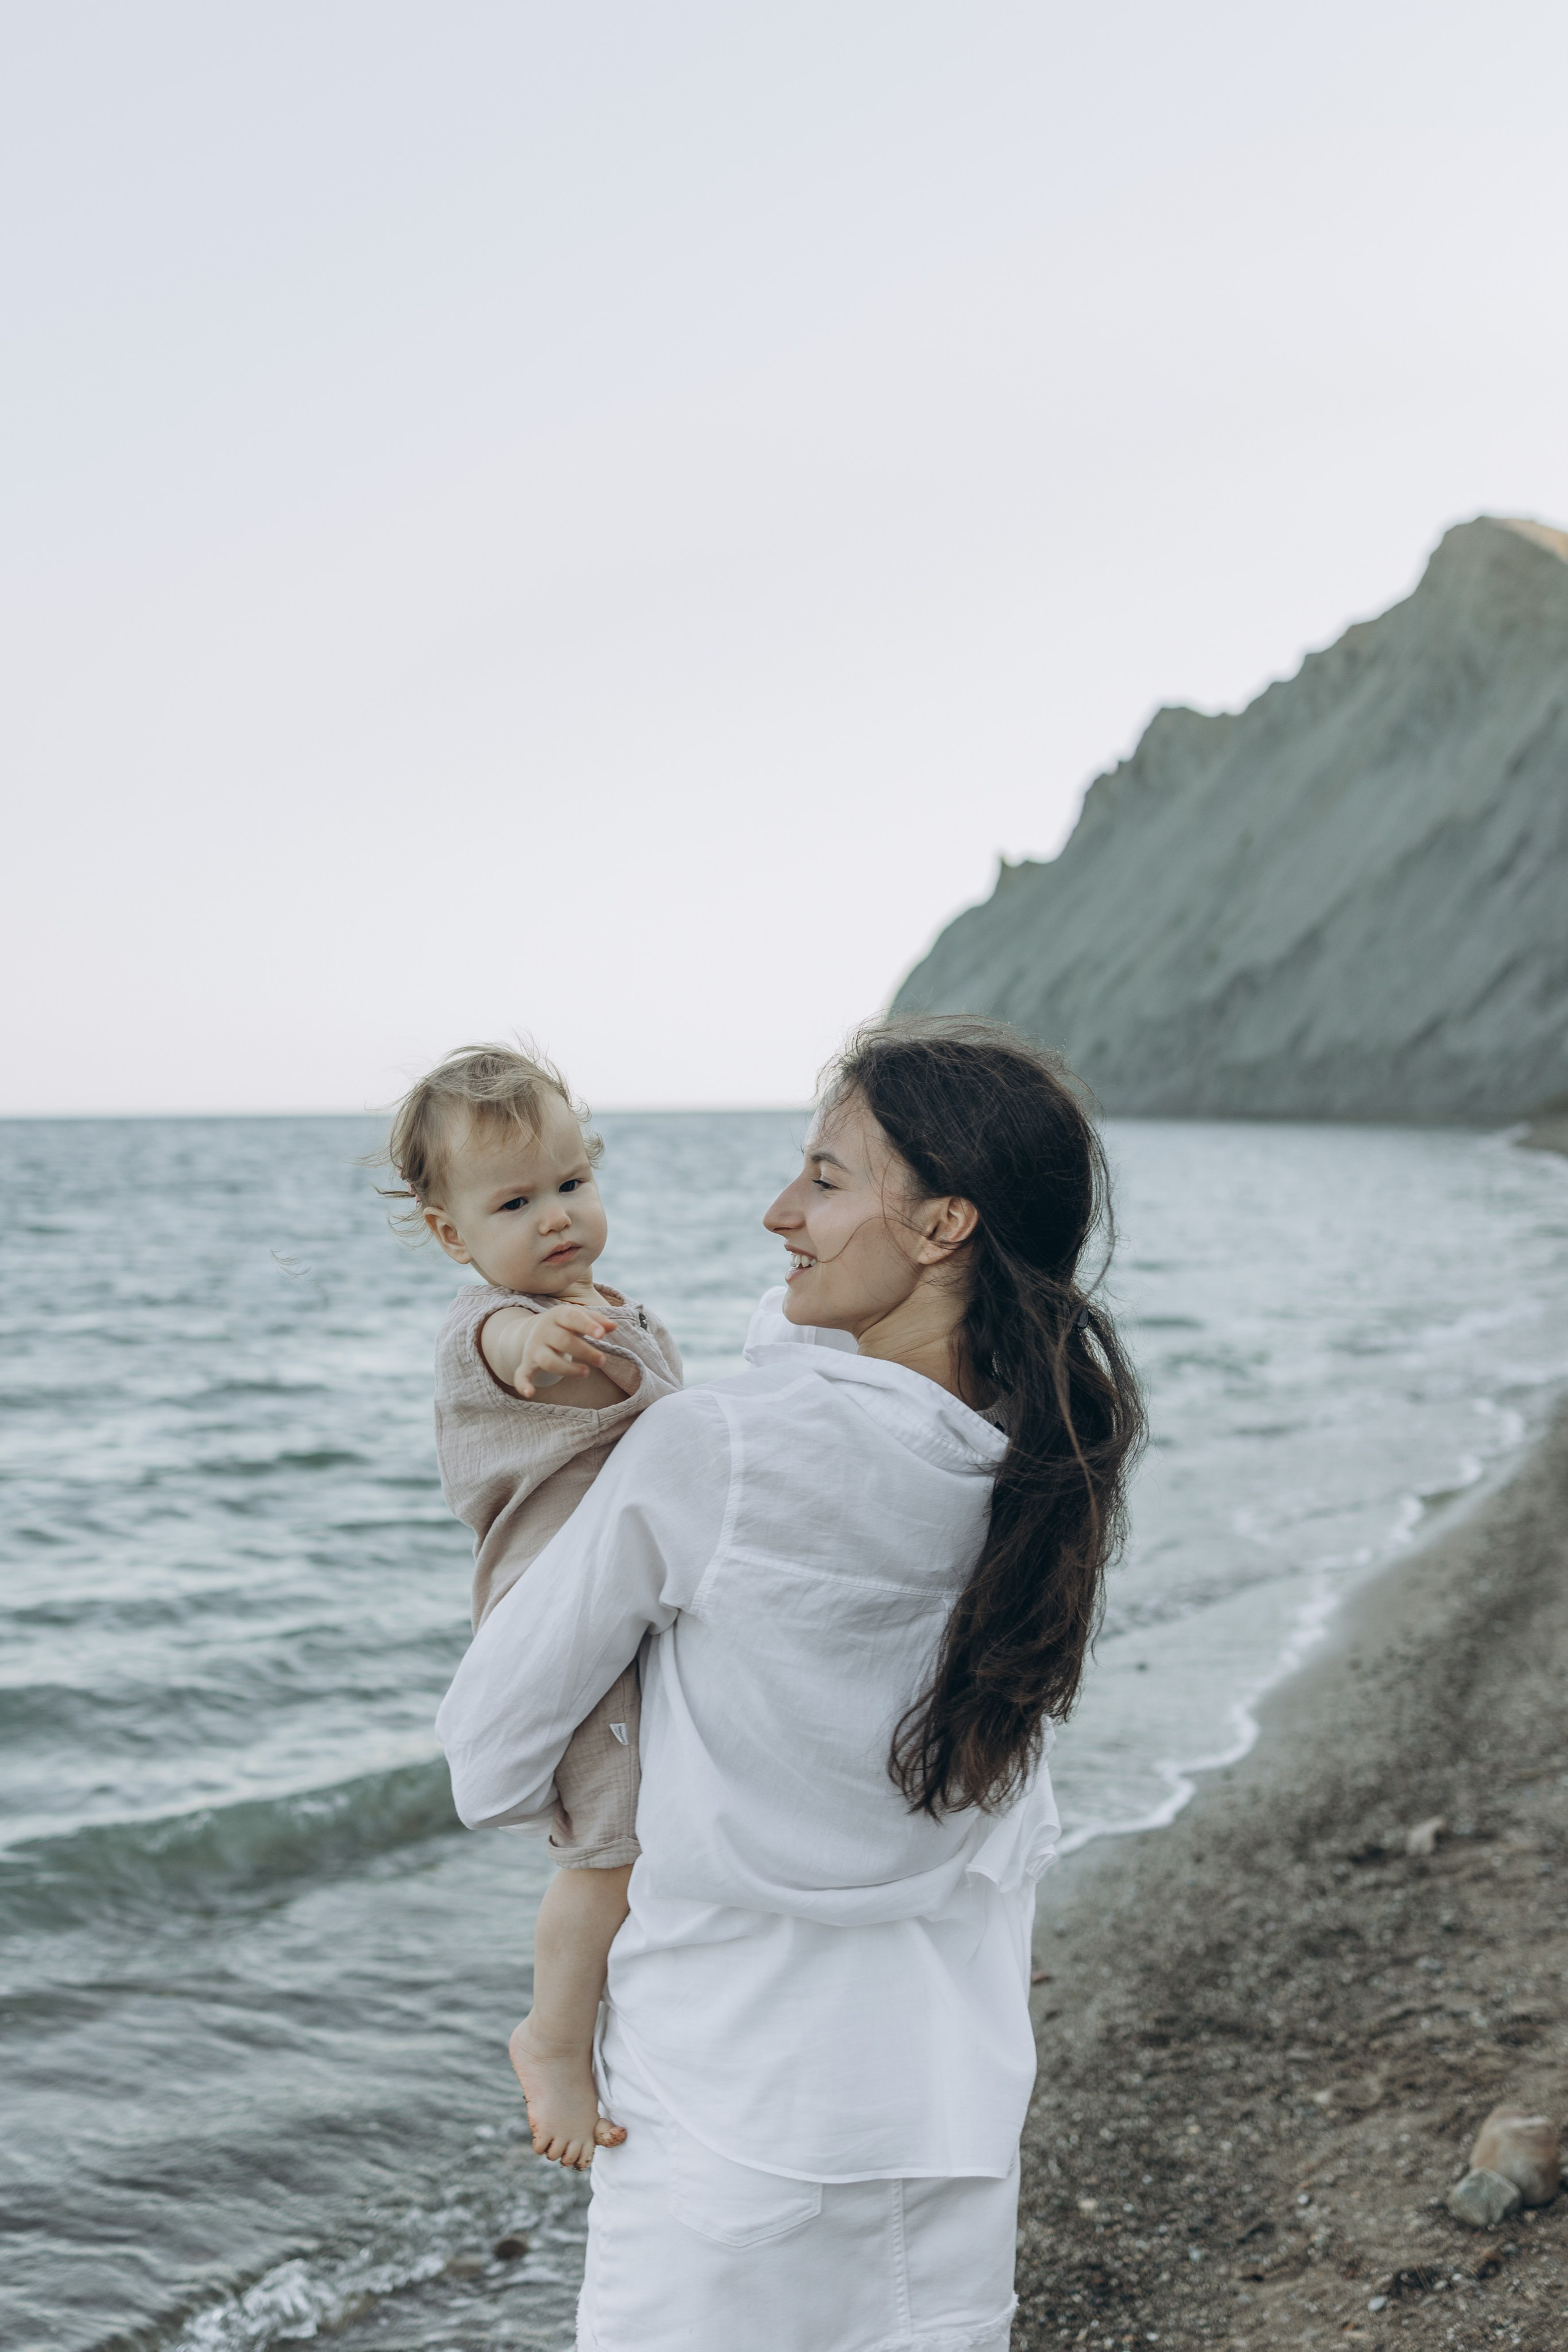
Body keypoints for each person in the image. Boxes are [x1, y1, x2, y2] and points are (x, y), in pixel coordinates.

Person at [436, 1015, 1145, 2352]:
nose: (778, 1214)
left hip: (731, 2101)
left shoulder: (715, 1452)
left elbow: (487, 1752)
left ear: (942, 1226)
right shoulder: (1042, 1457)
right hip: (946, 2100)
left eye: (822, 1179)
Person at [385, 1042, 682, 2169]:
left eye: (571, 1183)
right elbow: (511, 1352)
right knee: (606, 1846)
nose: (555, 1217)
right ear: (453, 1234)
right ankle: (551, 2039)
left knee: (674, 1810)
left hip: (635, 1599)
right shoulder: (491, 1327)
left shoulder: (618, 1307)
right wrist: (538, 1340)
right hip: (560, 1617)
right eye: (514, 1204)